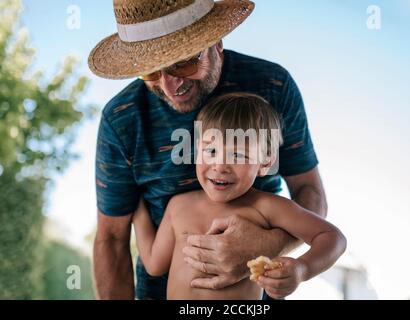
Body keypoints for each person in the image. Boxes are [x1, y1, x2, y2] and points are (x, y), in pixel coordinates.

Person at [90, 0, 328, 300]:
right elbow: (112, 238)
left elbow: (309, 192)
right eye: (151, 71)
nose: (168, 85)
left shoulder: (273, 86)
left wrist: (268, 246)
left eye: (184, 62)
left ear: (216, 43)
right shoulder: (121, 118)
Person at [132, 93, 346, 300]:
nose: (220, 166)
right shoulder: (178, 206)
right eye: (211, 151)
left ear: (265, 163)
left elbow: (333, 238)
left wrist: (302, 269)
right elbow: (153, 264)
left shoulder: (267, 207)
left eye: (237, 155)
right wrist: (137, 210)